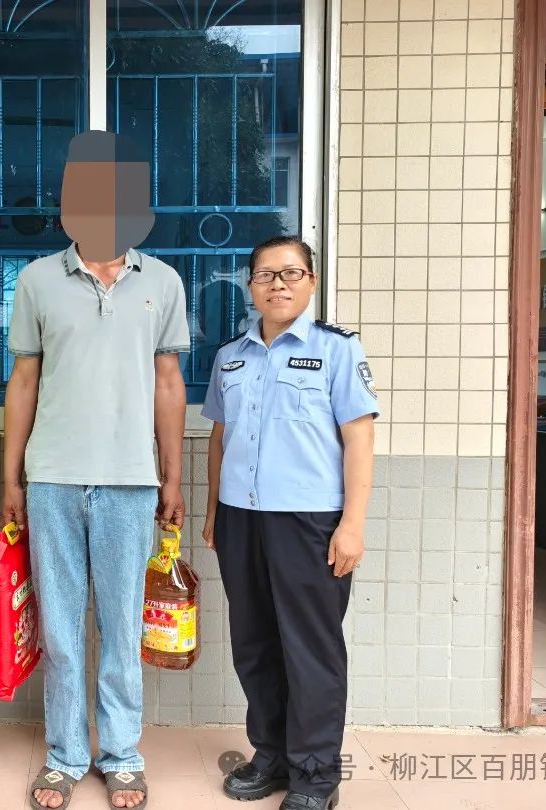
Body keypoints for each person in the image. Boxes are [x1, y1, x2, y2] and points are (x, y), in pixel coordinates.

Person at [1, 130, 189, 810]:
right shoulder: (37, 280)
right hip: (52, 478)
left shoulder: (162, 281)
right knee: (58, 630)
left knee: (120, 627)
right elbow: (24, 381)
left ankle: (121, 754)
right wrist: (11, 477)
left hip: (131, 483)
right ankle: (63, 755)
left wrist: (173, 475)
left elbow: (169, 383)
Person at [201, 236, 378, 810]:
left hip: (309, 522)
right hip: (241, 519)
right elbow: (220, 438)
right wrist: (214, 511)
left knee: (310, 650)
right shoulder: (231, 356)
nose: (277, 284)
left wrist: (352, 524)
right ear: (250, 285)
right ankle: (271, 755)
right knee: (254, 644)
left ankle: (315, 777)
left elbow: (359, 438)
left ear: (311, 281)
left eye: (291, 273)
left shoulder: (337, 350)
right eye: (265, 274)